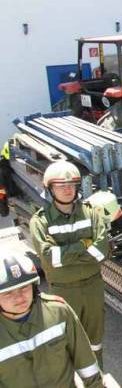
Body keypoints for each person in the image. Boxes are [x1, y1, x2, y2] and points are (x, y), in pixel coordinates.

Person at [29, 160, 109, 368]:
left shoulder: (92, 212)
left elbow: (101, 251)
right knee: (65, 340)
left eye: (71, 185)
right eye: (60, 185)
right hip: (63, 291)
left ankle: (97, 377)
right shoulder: (40, 221)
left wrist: (64, 254)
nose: (67, 189)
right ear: (50, 189)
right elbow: (49, 258)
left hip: (93, 287)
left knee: (95, 340)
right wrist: (84, 245)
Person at [0, 250, 102, 387]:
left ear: (34, 286)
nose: (19, 298)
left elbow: (87, 364)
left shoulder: (59, 312)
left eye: (24, 287)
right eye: (8, 293)